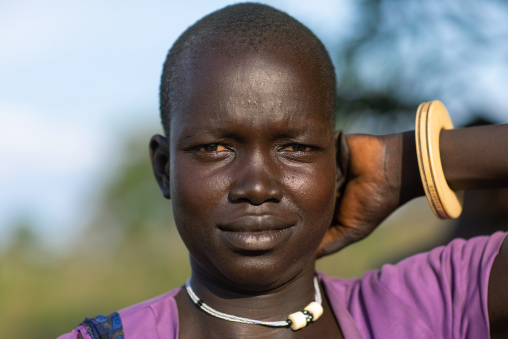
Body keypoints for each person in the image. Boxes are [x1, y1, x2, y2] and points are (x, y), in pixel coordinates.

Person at [59, 3, 508, 338]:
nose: (256, 186)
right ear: (164, 169)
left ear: (335, 166)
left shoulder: (430, 305)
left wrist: (406, 163)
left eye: (295, 148)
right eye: (215, 148)